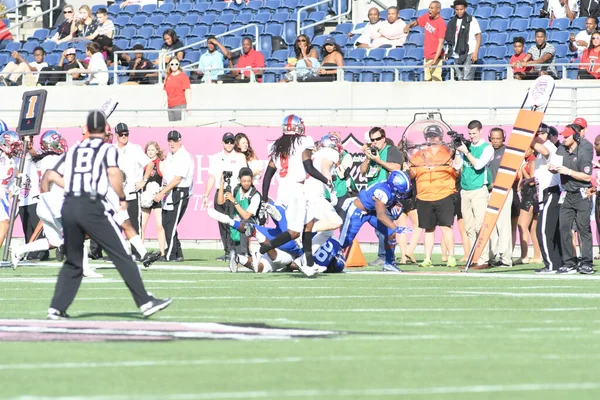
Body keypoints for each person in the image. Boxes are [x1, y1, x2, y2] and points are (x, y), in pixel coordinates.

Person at [42, 110, 171, 320]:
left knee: (73, 262)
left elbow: (51, 175)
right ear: (105, 130)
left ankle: (56, 308)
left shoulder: (74, 149)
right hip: (91, 206)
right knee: (122, 254)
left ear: (87, 129)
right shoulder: (107, 149)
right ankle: (145, 301)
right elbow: (114, 174)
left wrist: (72, 187)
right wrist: (121, 196)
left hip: (69, 205)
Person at [256, 114, 332, 277]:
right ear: (298, 127)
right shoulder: (303, 142)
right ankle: (264, 248)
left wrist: (264, 197)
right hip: (296, 190)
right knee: (295, 232)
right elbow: (309, 168)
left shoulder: (278, 146)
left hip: (284, 189)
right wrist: (326, 180)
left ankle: (309, 264)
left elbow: (268, 174)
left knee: (309, 224)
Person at [11, 131, 68, 268]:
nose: (60, 143)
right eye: (57, 141)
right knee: (76, 233)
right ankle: (84, 268)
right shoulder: (55, 160)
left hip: (44, 205)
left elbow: (33, 157)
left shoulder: (41, 160)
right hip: (55, 205)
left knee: (53, 241)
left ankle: (19, 250)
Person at [338, 170, 413, 272]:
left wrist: (393, 204)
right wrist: (396, 227)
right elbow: (381, 215)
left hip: (371, 211)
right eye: (401, 191)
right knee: (345, 242)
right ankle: (330, 259)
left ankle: (389, 263)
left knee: (391, 234)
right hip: (358, 211)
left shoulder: (390, 188)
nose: (402, 194)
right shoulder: (383, 191)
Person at [408, 125, 458, 268]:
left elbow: (456, 172)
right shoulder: (418, 155)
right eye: (429, 136)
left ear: (441, 137)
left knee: (446, 227)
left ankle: (451, 257)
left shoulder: (448, 153)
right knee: (428, 229)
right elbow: (413, 174)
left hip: (445, 194)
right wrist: (407, 169)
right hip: (424, 196)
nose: (432, 139)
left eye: (434, 136)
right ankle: (427, 258)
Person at [550, 123, 594, 274]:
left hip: (581, 193)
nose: (563, 138)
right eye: (563, 135)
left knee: (583, 228)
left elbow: (587, 176)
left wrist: (568, 171)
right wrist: (552, 168)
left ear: (575, 136)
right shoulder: (562, 148)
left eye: (567, 136)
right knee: (564, 227)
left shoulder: (583, 151)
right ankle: (569, 262)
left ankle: (587, 262)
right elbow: (555, 163)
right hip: (567, 194)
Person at [359, 127, 403, 266]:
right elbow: (362, 171)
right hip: (373, 194)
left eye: (378, 139)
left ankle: (386, 257)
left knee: (386, 226)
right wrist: (368, 158)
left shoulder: (391, 150)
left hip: (386, 193)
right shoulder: (373, 153)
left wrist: (379, 160)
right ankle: (385, 256)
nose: (375, 142)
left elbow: (396, 167)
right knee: (379, 228)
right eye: (372, 140)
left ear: (383, 138)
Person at [453, 120, 494, 269]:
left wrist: (466, 152)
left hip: (479, 190)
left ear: (481, 131)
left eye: (474, 133)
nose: (472, 137)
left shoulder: (487, 148)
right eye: (470, 134)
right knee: (469, 227)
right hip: (465, 190)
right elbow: (457, 166)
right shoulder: (466, 147)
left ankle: (483, 259)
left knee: (480, 226)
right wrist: (458, 150)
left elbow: (478, 165)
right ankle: (473, 257)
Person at [203, 132, 247, 262]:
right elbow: (212, 177)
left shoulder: (240, 157)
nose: (229, 144)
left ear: (234, 143)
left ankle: (236, 250)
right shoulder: (215, 157)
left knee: (234, 221)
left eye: (231, 141)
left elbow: (244, 175)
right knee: (222, 221)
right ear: (222, 143)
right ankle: (227, 251)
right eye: (226, 141)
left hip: (234, 192)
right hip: (220, 191)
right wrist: (206, 195)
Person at [154, 130, 194, 262]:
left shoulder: (183, 156)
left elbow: (177, 179)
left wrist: (162, 192)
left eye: (174, 141)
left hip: (179, 191)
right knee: (167, 222)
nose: (172, 143)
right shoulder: (171, 155)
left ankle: (170, 254)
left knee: (171, 223)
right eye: (170, 141)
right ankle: (178, 253)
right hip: (171, 191)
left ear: (180, 141)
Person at [113, 123, 154, 250]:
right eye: (121, 134)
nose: (124, 136)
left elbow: (150, 164)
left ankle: (137, 253)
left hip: (131, 193)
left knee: (134, 225)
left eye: (126, 134)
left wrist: (144, 180)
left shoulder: (135, 149)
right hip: (115, 195)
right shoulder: (111, 149)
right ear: (116, 135)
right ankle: (116, 253)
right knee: (115, 226)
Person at [530, 123, 563, 274]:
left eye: (539, 134)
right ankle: (556, 263)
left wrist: (529, 139)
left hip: (551, 192)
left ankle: (551, 264)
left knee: (543, 231)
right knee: (551, 231)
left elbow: (544, 150)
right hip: (546, 193)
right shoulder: (542, 148)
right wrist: (528, 181)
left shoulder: (548, 145)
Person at [217, 167, 261, 265]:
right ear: (239, 180)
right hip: (236, 223)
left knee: (244, 223)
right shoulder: (236, 190)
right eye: (244, 181)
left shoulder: (255, 195)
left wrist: (234, 201)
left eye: (249, 181)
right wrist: (222, 183)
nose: (246, 183)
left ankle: (244, 253)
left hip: (251, 224)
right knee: (228, 220)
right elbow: (220, 202)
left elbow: (246, 216)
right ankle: (236, 255)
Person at [487, 128, 513, 267]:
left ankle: (506, 258)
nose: (495, 141)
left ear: (503, 138)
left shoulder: (507, 152)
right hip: (488, 191)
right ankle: (490, 256)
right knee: (490, 225)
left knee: (503, 225)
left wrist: (499, 184)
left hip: (503, 190)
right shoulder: (487, 151)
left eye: (498, 138)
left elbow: (513, 173)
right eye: (493, 138)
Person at [404, 1, 447, 82]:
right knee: (427, 81)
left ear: (438, 9)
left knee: (436, 81)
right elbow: (417, 22)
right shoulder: (427, 16)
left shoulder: (441, 23)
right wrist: (409, 25)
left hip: (436, 58)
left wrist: (434, 60)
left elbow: (441, 43)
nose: (429, 10)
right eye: (429, 7)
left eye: (432, 8)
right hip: (427, 57)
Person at [139, 141, 167, 260]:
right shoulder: (142, 164)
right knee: (142, 226)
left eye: (152, 150)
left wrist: (161, 192)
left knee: (159, 225)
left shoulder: (160, 164)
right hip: (145, 199)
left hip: (156, 199)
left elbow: (166, 180)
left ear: (157, 151)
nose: (150, 152)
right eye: (148, 150)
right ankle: (140, 252)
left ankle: (162, 252)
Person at [445, 0, 482, 81]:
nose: (459, 11)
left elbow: (478, 37)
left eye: (461, 9)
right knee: (459, 78)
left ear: (465, 9)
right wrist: (447, 51)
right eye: (457, 9)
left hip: (469, 52)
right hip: (456, 54)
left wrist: (475, 52)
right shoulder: (452, 22)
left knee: (467, 78)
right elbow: (450, 38)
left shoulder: (471, 20)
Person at [516, 148, 542, 265]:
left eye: (526, 149)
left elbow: (532, 181)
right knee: (532, 229)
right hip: (529, 196)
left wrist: (523, 170)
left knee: (522, 226)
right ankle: (537, 256)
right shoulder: (527, 161)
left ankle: (524, 256)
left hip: (530, 197)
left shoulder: (533, 161)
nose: (524, 151)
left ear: (532, 150)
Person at [0, 129, 20, 253]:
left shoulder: (10, 159)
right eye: (14, 145)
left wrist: (18, 179)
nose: (16, 148)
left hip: (2, 193)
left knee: (5, 222)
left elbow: (10, 175)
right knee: (5, 222)